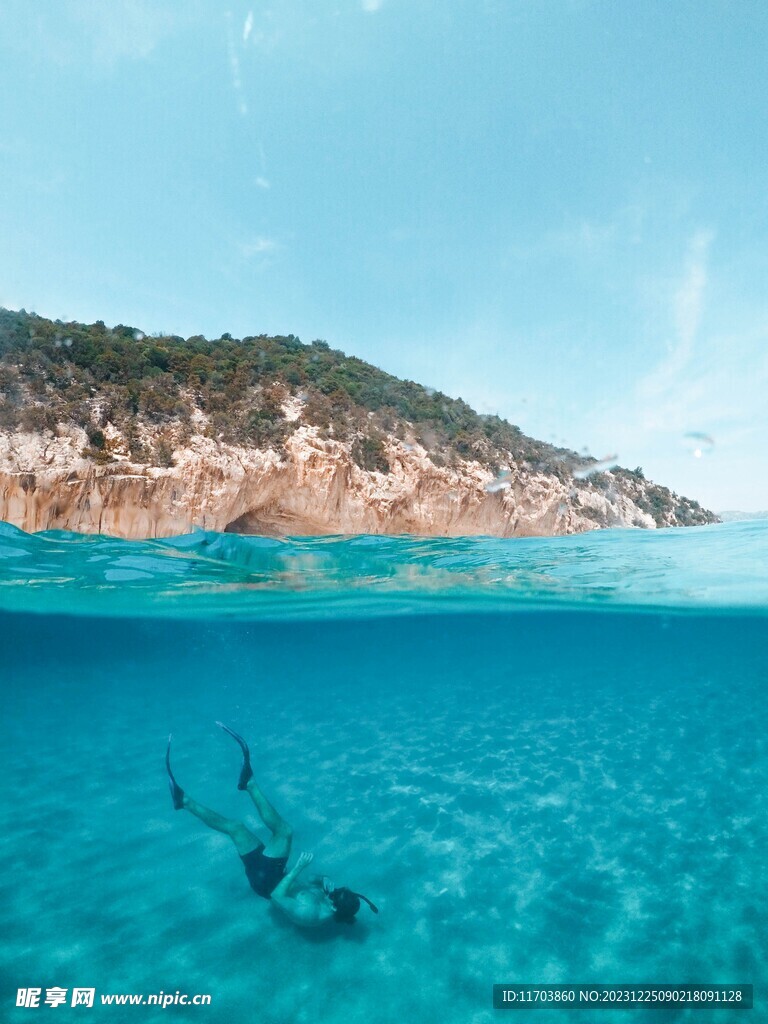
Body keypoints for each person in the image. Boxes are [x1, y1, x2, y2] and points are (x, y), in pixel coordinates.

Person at [166, 723, 378, 927]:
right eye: (338, 890)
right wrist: (325, 879)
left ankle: (249, 783)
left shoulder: (311, 915)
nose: (333, 892)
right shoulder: (331, 899)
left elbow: (277, 898)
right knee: (236, 827)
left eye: (335, 894)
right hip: (274, 875)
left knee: (284, 832)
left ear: (333, 908)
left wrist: (296, 869)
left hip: (268, 883)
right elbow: (312, 881)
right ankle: (183, 801)